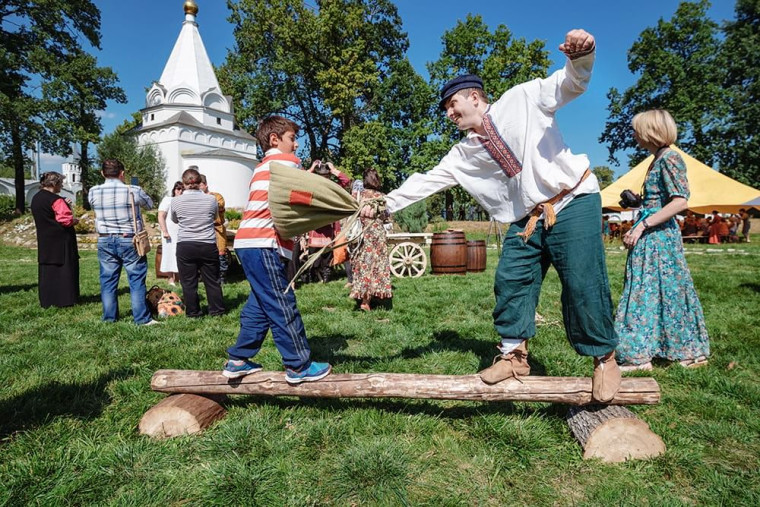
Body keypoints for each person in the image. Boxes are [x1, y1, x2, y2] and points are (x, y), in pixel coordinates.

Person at [361, 29, 620, 402]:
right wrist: (383, 202)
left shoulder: (521, 98)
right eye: (446, 110)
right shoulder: (462, 154)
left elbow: (569, 84)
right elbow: (425, 182)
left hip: (573, 199)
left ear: (475, 97)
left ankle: (603, 358)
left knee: (582, 282)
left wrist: (582, 56)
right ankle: (514, 356)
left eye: (453, 104)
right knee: (511, 278)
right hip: (528, 218)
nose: (449, 113)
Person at [222, 115, 331, 383]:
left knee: (260, 303)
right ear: (274, 140)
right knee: (282, 303)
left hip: (249, 244)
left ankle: (238, 359)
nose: (296, 146)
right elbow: (305, 196)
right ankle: (298, 365)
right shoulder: (284, 162)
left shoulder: (262, 168)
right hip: (264, 244)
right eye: (292, 139)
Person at [616, 109, 710, 370]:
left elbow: (680, 201)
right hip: (653, 235)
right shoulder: (657, 159)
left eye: (636, 129)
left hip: (658, 237)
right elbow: (662, 200)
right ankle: (662, 349)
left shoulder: (670, 158)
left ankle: (646, 354)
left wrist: (642, 224)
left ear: (650, 131)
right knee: (655, 291)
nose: (634, 134)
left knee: (653, 290)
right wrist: (640, 202)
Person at [89, 159, 157, 325]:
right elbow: (150, 205)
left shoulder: (93, 191)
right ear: (122, 173)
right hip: (129, 239)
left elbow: (93, 206)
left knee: (108, 280)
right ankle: (141, 319)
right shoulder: (133, 190)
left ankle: (109, 318)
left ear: (102, 173)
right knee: (136, 279)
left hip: (105, 239)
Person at [171, 167, 225, 318]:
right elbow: (214, 217)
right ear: (200, 182)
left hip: (186, 244)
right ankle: (217, 310)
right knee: (212, 280)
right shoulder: (211, 199)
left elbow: (175, 220)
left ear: (183, 183)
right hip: (207, 242)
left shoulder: (176, 201)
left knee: (188, 281)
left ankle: (193, 312)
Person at [30, 171, 80, 308]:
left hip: (45, 240)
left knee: (48, 271)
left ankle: (48, 300)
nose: (61, 186)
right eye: (60, 183)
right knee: (65, 269)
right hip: (62, 240)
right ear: (54, 183)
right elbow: (65, 220)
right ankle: (66, 299)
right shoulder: (56, 200)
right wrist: (75, 220)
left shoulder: (36, 198)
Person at [350, 167, 392, 311]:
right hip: (377, 234)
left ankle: (364, 298)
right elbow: (387, 217)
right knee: (376, 265)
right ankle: (368, 299)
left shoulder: (357, 195)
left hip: (361, 234)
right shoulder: (381, 197)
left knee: (363, 265)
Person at [306, 160, 350, 283]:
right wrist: (311, 168)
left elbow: (346, 181)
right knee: (314, 254)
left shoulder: (333, 187)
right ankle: (314, 275)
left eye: (326, 176)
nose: (324, 178)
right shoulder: (312, 187)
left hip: (329, 224)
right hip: (315, 223)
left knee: (327, 254)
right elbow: (299, 181)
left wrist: (334, 169)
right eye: (322, 176)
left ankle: (326, 275)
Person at [198, 173, 229, 283]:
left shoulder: (217, 196)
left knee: (220, 253)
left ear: (205, 185)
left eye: (200, 185)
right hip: (203, 230)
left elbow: (219, 206)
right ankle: (204, 275)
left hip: (217, 230)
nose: (199, 188)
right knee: (203, 254)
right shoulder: (197, 198)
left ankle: (221, 277)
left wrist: (207, 199)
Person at [157, 181, 184, 285]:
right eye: (178, 189)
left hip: (181, 233)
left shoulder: (185, 201)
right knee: (169, 254)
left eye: (182, 189)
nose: (180, 192)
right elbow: (161, 216)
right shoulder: (168, 200)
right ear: (174, 190)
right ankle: (170, 278)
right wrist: (165, 231)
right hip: (169, 233)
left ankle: (181, 278)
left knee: (180, 255)